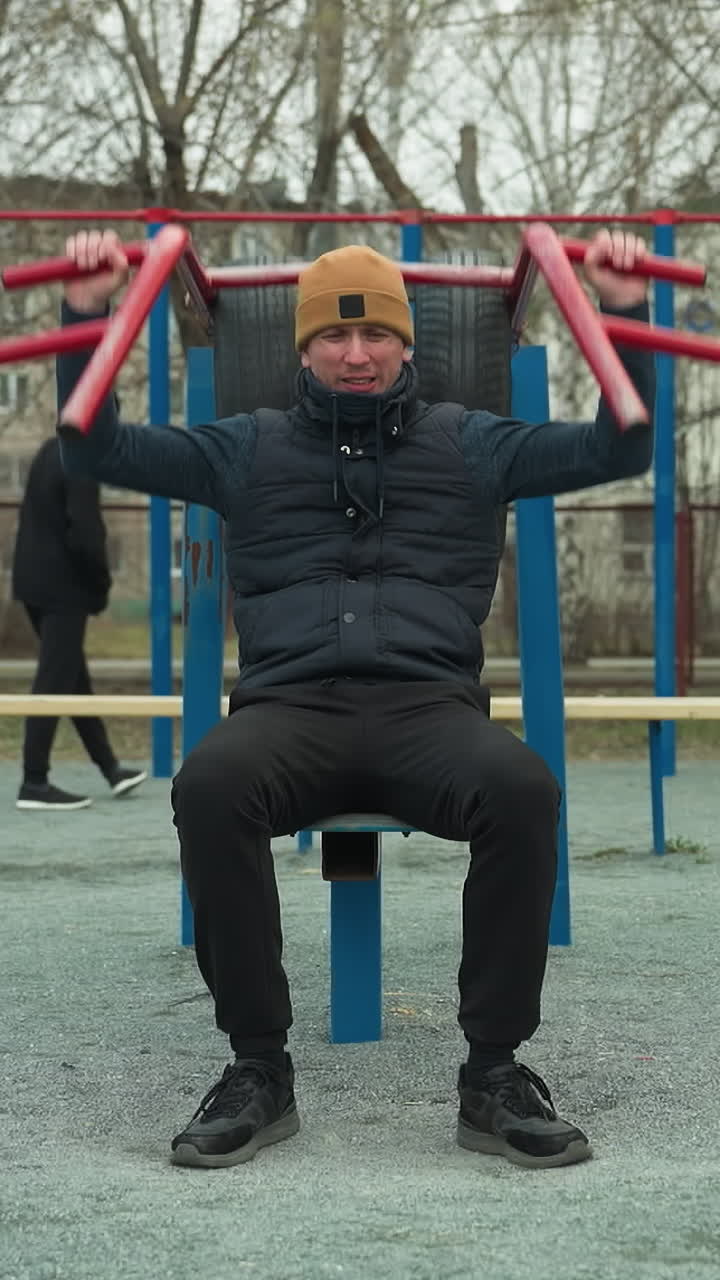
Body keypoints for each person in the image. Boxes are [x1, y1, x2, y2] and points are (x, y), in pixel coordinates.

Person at [56, 227, 654, 1170]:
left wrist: (619, 306)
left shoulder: (475, 445)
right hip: (290, 712)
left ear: (407, 343)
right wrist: (86, 317)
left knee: (523, 790)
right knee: (210, 785)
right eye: (334, 338)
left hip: (429, 713)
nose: (357, 354)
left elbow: (623, 442)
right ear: (304, 348)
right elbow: (92, 446)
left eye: (376, 335)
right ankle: (258, 1066)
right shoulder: (243, 450)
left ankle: (493, 1071)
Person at [12, 435, 147, 810]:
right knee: (54, 680)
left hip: (33, 581)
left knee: (72, 678)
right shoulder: (81, 459)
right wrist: (101, 584)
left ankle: (110, 769)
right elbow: (87, 533)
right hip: (63, 588)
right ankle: (34, 780)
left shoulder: (48, 449)